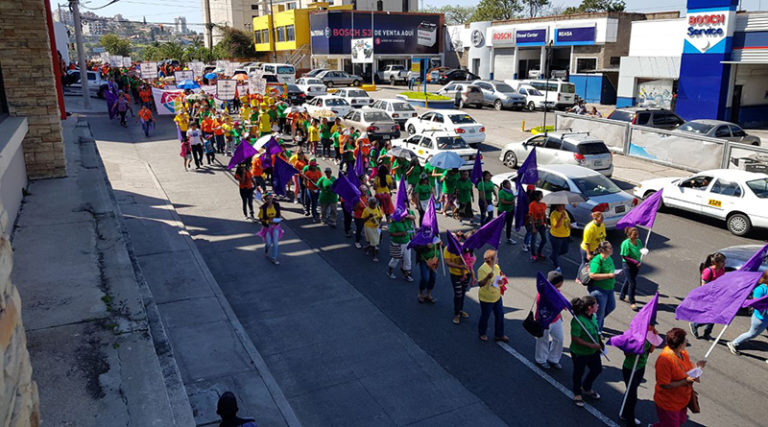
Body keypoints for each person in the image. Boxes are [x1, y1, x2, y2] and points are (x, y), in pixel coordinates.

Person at [651, 328, 706, 427]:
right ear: (680, 344)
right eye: (685, 341)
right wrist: (685, 381)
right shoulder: (664, 361)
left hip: (682, 400)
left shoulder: (682, 353)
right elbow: (664, 385)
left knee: (680, 420)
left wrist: (697, 367)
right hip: (669, 404)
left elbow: (686, 367)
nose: (686, 342)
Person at [621, 324, 659, 426]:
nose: (653, 327)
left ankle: (624, 412)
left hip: (640, 367)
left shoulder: (650, 334)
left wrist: (654, 338)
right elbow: (626, 352)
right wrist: (637, 348)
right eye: (651, 324)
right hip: (630, 368)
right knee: (632, 396)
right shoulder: (634, 335)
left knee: (631, 392)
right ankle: (630, 420)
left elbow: (651, 350)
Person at [570, 295, 603, 408]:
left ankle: (586, 387)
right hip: (580, 352)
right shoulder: (578, 321)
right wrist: (591, 345)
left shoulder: (593, 316)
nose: (597, 306)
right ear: (589, 307)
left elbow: (595, 330)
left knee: (597, 369)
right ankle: (577, 393)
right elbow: (575, 338)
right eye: (595, 304)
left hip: (593, 351)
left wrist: (599, 342)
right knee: (579, 372)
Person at [728, 270, 768, 357]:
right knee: (752, 334)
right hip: (760, 318)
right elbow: (756, 304)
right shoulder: (760, 290)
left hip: (766, 318)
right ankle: (733, 343)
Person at [535, 270, 566, 370]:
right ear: (557, 283)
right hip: (544, 320)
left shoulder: (555, 290)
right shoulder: (543, 293)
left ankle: (553, 359)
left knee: (559, 339)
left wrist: (560, 313)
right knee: (543, 340)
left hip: (555, 319)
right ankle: (541, 360)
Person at [588, 241, 622, 332]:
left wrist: (615, 273)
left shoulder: (609, 258)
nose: (612, 249)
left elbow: (610, 270)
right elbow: (592, 275)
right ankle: (597, 332)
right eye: (609, 248)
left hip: (609, 289)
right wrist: (609, 275)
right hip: (599, 290)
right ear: (603, 250)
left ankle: (594, 322)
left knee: (611, 306)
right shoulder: (597, 260)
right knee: (600, 313)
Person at [690, 252, 726, 339]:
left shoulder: (722, 270)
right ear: (716, 262)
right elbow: (704, 287)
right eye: (722, 261)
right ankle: (695, 324)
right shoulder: (708, 271)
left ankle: (707, 333)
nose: (724, 263)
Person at [477, 249, 508, 343]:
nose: (497, 259)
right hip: (486, 299)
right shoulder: (482, 269)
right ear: (490, 259)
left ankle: (499, 334)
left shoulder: (496, 267)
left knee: (500, 315)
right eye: (495, 258)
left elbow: (498, 277)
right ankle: (482, 332)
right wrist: (487, 278)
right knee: (485, 316)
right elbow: (480, 284)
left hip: (497, 296)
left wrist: (501, 281)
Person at [444, 232, 473, 324]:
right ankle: (456, 314)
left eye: (457, 237)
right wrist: (460, 267)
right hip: (455, 275)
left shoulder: (464, 246)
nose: (455, 239)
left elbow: (471, 257)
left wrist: (471, 263)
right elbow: (448, 262)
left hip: (466, 274)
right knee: (458, 294)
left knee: (463, 292)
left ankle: (460, 310)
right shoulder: (447, 249)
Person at [619, 227, 644, 311]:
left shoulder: (639, 241)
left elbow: (640, 250)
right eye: (635, 234)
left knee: (628, 281)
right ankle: (632, 302)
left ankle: (622, 296)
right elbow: (624, 256)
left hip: (636, 265)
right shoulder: (625, 244)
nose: (637, 236)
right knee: (632, 283)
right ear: (629, 235)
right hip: (628, 265)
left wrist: (643, 252)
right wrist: (635, 262)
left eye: (637, 234)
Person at [386, 210, 414, 281]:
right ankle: (389, 271)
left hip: (407, 242)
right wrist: (401, 234)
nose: (405, 218)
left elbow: (410, 227)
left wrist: (411, 235)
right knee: (396, 259)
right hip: (397, 244)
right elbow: (391, 233)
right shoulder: (394, 223)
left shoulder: (406, 221)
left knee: (407, 259)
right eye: (403, 217)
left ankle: (406, 274)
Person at [579, 211, 606, 278]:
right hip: (588, 249)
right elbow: (587, 243)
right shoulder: (589, 228)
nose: (602, 218)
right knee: (585, 264)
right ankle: (579, 277)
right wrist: (588, 254)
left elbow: (603, 236)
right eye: (601, 217)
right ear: (595, 218)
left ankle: (592, 277)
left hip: (597, 249)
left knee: (595, 264)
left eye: (602, 217)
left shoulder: (602, 224)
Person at [257, 193, 282, 265]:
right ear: (265, 200)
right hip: (267, 228)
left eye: (270, 198)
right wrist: (268, 221)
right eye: (267, 199)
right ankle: (266, 248)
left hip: (276, 227)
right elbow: (261, 219)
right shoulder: (263, 208)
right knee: (268, 243)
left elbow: (279, 216)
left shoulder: (276, 205)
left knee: (275, 243)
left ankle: (274, 258)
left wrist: (277, 220)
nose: (270, 200)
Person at [414, 239, 439, 304]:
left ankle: (428, 294)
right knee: (425, 278)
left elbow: (439, 247)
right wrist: (426, 247)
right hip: (424, 260)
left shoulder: (436, 236)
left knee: (433, 278)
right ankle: (420, 294)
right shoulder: (421, 236)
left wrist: (440, 244)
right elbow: (416, 247)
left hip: (434, 261)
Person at [549, 204, 570, 272]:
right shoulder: (553, 214)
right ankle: (557, 266)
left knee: (564, 250)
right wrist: (561, 217)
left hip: (565, 235)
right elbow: (556, 225)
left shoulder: (565, 212)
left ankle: (553, 256)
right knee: (556, 251)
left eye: (564, 205)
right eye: (561, 206)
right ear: (557, 206)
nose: (563, 207)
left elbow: (567, 221)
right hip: (556, 236)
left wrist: (570, 225)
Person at [362, 196, 384, 262]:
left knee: (377, 240)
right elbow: (363, 220)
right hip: (369, 228)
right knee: (373, 242)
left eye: (375, 203)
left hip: (377, 227)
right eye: (372, 203)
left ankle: (366, 248)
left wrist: (380, 223)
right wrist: (368, 217)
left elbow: (380, 217)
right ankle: (374, 256)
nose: (374, 205)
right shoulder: (366, 210)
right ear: (369, 204)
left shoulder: (378, 207)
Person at [527, 190, 547, 261]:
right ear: (536, 196)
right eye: (541, 196)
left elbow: (544, 214)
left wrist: (546, 223)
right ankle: (533, 254)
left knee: (544, 240)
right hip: (535, 224)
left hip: (542, 224)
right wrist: (533, 227)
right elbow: (531, 216)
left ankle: (539, 252)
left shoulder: (543, 204)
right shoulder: (532, 204)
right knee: (534, 240)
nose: (542, 197)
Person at [497, 180, 516, 244]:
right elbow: (502, 201)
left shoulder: (511, 191)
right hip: (503, 211)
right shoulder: (501, 192)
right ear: (505, 185)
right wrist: (511, 202)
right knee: (501, 226)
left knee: (509, 226)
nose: (510, 185)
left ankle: (508, 238)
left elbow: (512, 199)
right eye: (508, 184)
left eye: (510, 184)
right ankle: (498, 238)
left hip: (510, 211)